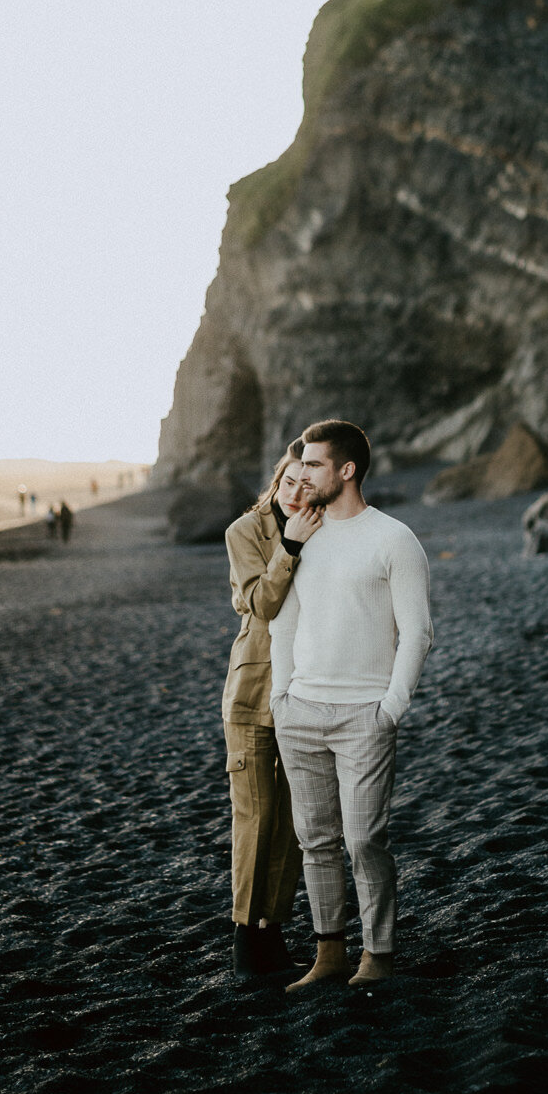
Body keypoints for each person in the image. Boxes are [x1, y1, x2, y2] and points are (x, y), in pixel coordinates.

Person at [271, 418, 432, 992]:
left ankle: (379, 953)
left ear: (347, 470)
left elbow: (417, 632)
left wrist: (391, 707)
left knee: (364, 840)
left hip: (365, 714)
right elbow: (283, 622)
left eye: (314, 464)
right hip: (301, 712)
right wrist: (281, 696)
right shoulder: (300, 534)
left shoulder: (393, 539)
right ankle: (329, 954)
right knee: (315, 841)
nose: (302, 474)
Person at [223, 441, 322, 978]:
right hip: (251, 694)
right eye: (288, 482)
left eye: (306, 487)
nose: (294, 493)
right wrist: (290, 544)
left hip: (301, 690)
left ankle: (273, 935)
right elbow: (261, 602)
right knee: (256, 817)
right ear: (277, 478)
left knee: (287, 821)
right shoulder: (244, 533)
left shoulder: (321, 529)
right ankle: (245, 941)